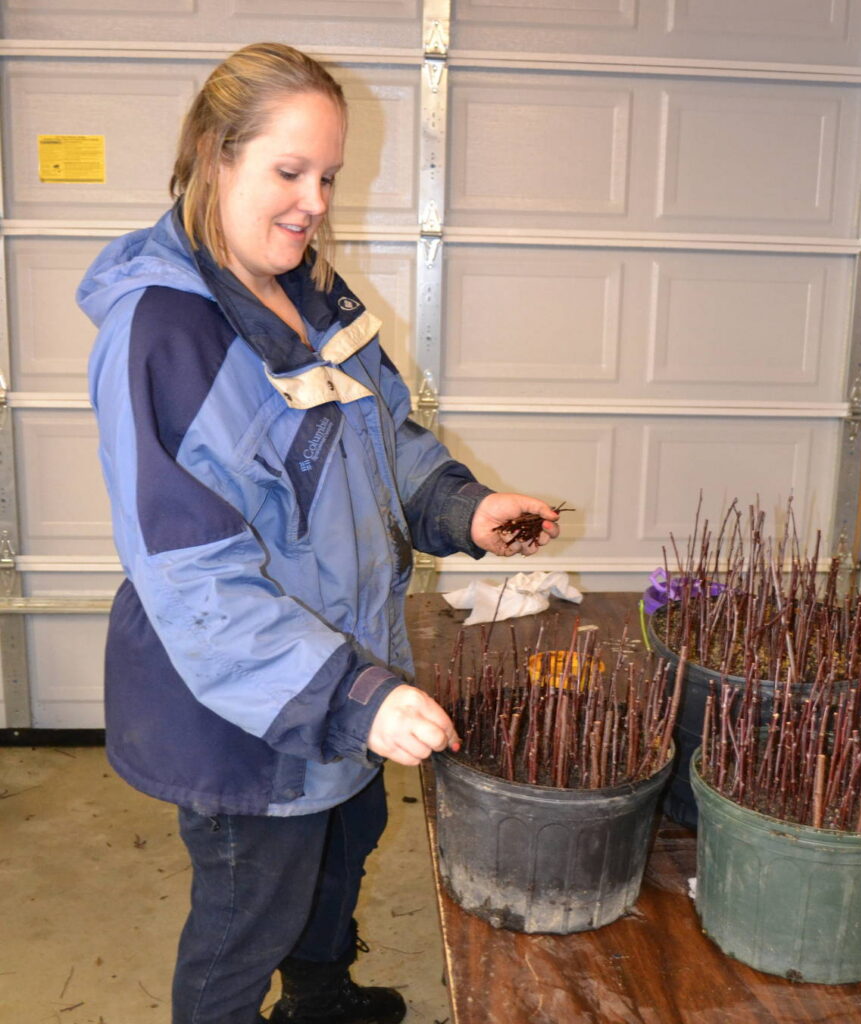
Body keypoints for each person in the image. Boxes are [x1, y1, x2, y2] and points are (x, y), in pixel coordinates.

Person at [78, 42, 560, 1024]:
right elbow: (197, 582)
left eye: (329, 176)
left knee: (345, 845)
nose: (315, 201)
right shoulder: (166, 334)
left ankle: (321, 996)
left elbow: (386, 435)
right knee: (246, 915)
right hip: (250, 719)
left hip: (347, 677)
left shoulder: (309, 293)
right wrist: (352, 695)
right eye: (288, 172)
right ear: (216, 156)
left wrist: (463, 508)